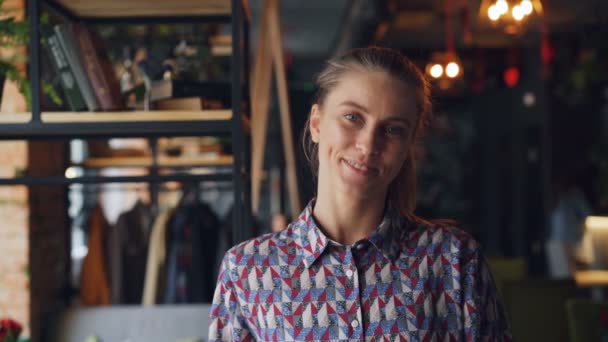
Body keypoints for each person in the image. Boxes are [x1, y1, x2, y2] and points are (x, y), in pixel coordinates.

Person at [208, 46, 511, 341]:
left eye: (392, 130)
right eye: (353, 117)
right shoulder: (247, 270)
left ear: (409, 147)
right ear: (316, 123)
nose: (368, 145)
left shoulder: (453, 260)